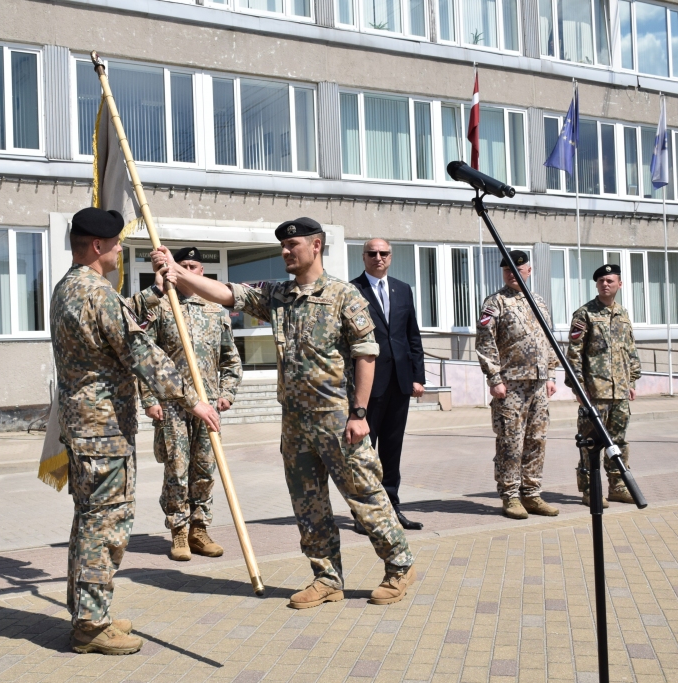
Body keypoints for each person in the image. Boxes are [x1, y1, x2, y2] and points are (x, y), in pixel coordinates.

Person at [154, 217, 416, 609]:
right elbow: (227, 293)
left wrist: (359, 413)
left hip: (338, 418)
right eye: (282, 246)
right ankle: (327, 578)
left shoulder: (344, 295)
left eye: (292, 245)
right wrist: (176, 273)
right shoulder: (278, 295)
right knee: (308, 505)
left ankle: (399, 566)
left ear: (316, 246)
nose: (285, 252)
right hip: (295, 422)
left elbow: (366, 354)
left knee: (365, 495)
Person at [51, 208, 220, 655]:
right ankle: (90, 625)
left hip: (83, 428)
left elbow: (117, 336)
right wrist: (193, 400)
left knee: (88, 521)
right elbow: (141, 352)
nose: (121, 250)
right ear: (97, 246)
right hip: (103, 431)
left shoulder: (65, 288)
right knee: (105, 526)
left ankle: (90, 609)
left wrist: (162, 286)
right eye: (117, 243)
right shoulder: (98, 293)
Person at [141, 245, 243, 561]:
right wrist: (148, 399)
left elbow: (231, 358)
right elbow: (145, 357)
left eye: (194, 266)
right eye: (183, 263)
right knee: (176, 468)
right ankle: (179, 532)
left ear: (201, 272)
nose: (189, 269)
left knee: (205, 469)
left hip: (208, 403)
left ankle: (200, 529)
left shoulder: (216, 310)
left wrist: (227, 392)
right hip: (172, 405)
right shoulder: (160, 307)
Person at [475, 250, 560, 520]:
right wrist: (494, 379)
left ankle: (532, 493)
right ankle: (510, 496)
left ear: (529, 271)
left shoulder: (539, 302)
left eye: (518, 269)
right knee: (510, 442)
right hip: (510, 385)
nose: (513, 274)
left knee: (537, 440)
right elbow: (485, 343)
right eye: (507, 270)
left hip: (538, 383)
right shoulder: (495, 303)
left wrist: (551, 375)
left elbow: (549, 340)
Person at [350, 238, 425, 531]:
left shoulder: (403, 289)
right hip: (368, 385)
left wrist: (417, 376)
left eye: (383, 253)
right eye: (372, 253)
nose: (378, 257)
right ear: (364, 257)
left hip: (400, 383)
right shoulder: (352, 290)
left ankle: (392, 508)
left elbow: (412, 336)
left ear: (391, 257)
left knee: (392, 450)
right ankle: (364, 513)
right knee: (364, 452)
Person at [566, 263, 642, 507]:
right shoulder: (584, 314)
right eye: (601, 281)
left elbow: (630, 349)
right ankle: (590, 490)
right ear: (596, 285)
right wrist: (578, 387)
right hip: (594, 393)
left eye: (610, 280)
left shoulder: (623, 314)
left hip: (619, 391)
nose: (605, 284)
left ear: (620, 284)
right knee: (591, 444)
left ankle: (618, 486)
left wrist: (631, 380)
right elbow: (574, 353)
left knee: (618, 441)